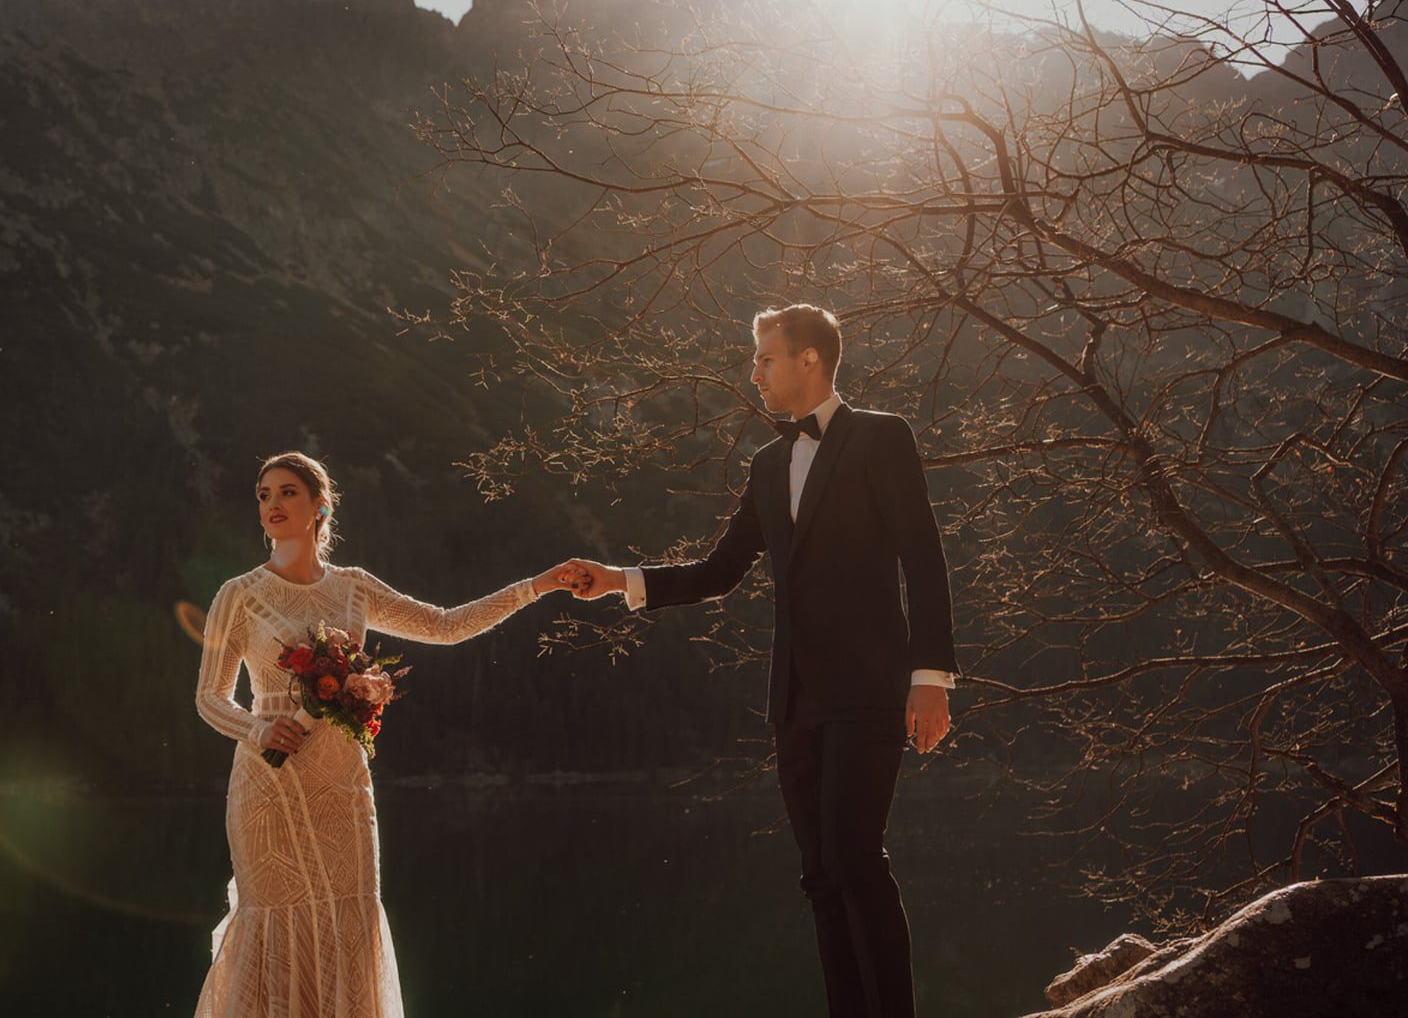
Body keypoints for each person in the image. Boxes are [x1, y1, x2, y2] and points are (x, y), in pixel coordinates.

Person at [564, 304, 958, 1018]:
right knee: (819, 876)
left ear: (810, 359)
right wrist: (620, 578)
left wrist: (929, 680)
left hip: (870, 690)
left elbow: (924, 562)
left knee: (855, 859)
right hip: (795, 700)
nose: (755, 374)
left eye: (765, 359)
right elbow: (720, 570)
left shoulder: (881, 437)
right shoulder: (767, 463)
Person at [192, 450, 577, 1018]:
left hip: (343, 784)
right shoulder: (239, 594)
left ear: (320, 504)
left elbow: (445, 626)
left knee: (350, 916)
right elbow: (208, 698)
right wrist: (257, 728)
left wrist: (537, 587)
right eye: (264, 495)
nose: (272, 504)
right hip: (269, 789)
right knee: (273, 921)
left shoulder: (354, 588)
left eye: (287, 492)